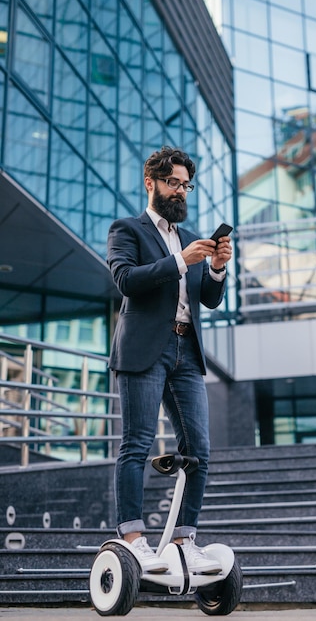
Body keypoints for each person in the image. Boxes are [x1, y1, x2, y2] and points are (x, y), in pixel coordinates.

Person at [107, 146, 232, 575]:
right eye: (173, 183)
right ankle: (134, 537)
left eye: (186, 185)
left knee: (199, 450)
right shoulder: (127, 229)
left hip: (185, 351)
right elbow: (126, 280)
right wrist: (181, 260)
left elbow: (209, 301)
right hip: (145, 350)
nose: (180, 191)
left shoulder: (192, 238)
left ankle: (185, 539)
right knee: (137, 443)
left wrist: (215, 267)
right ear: (152, 183)